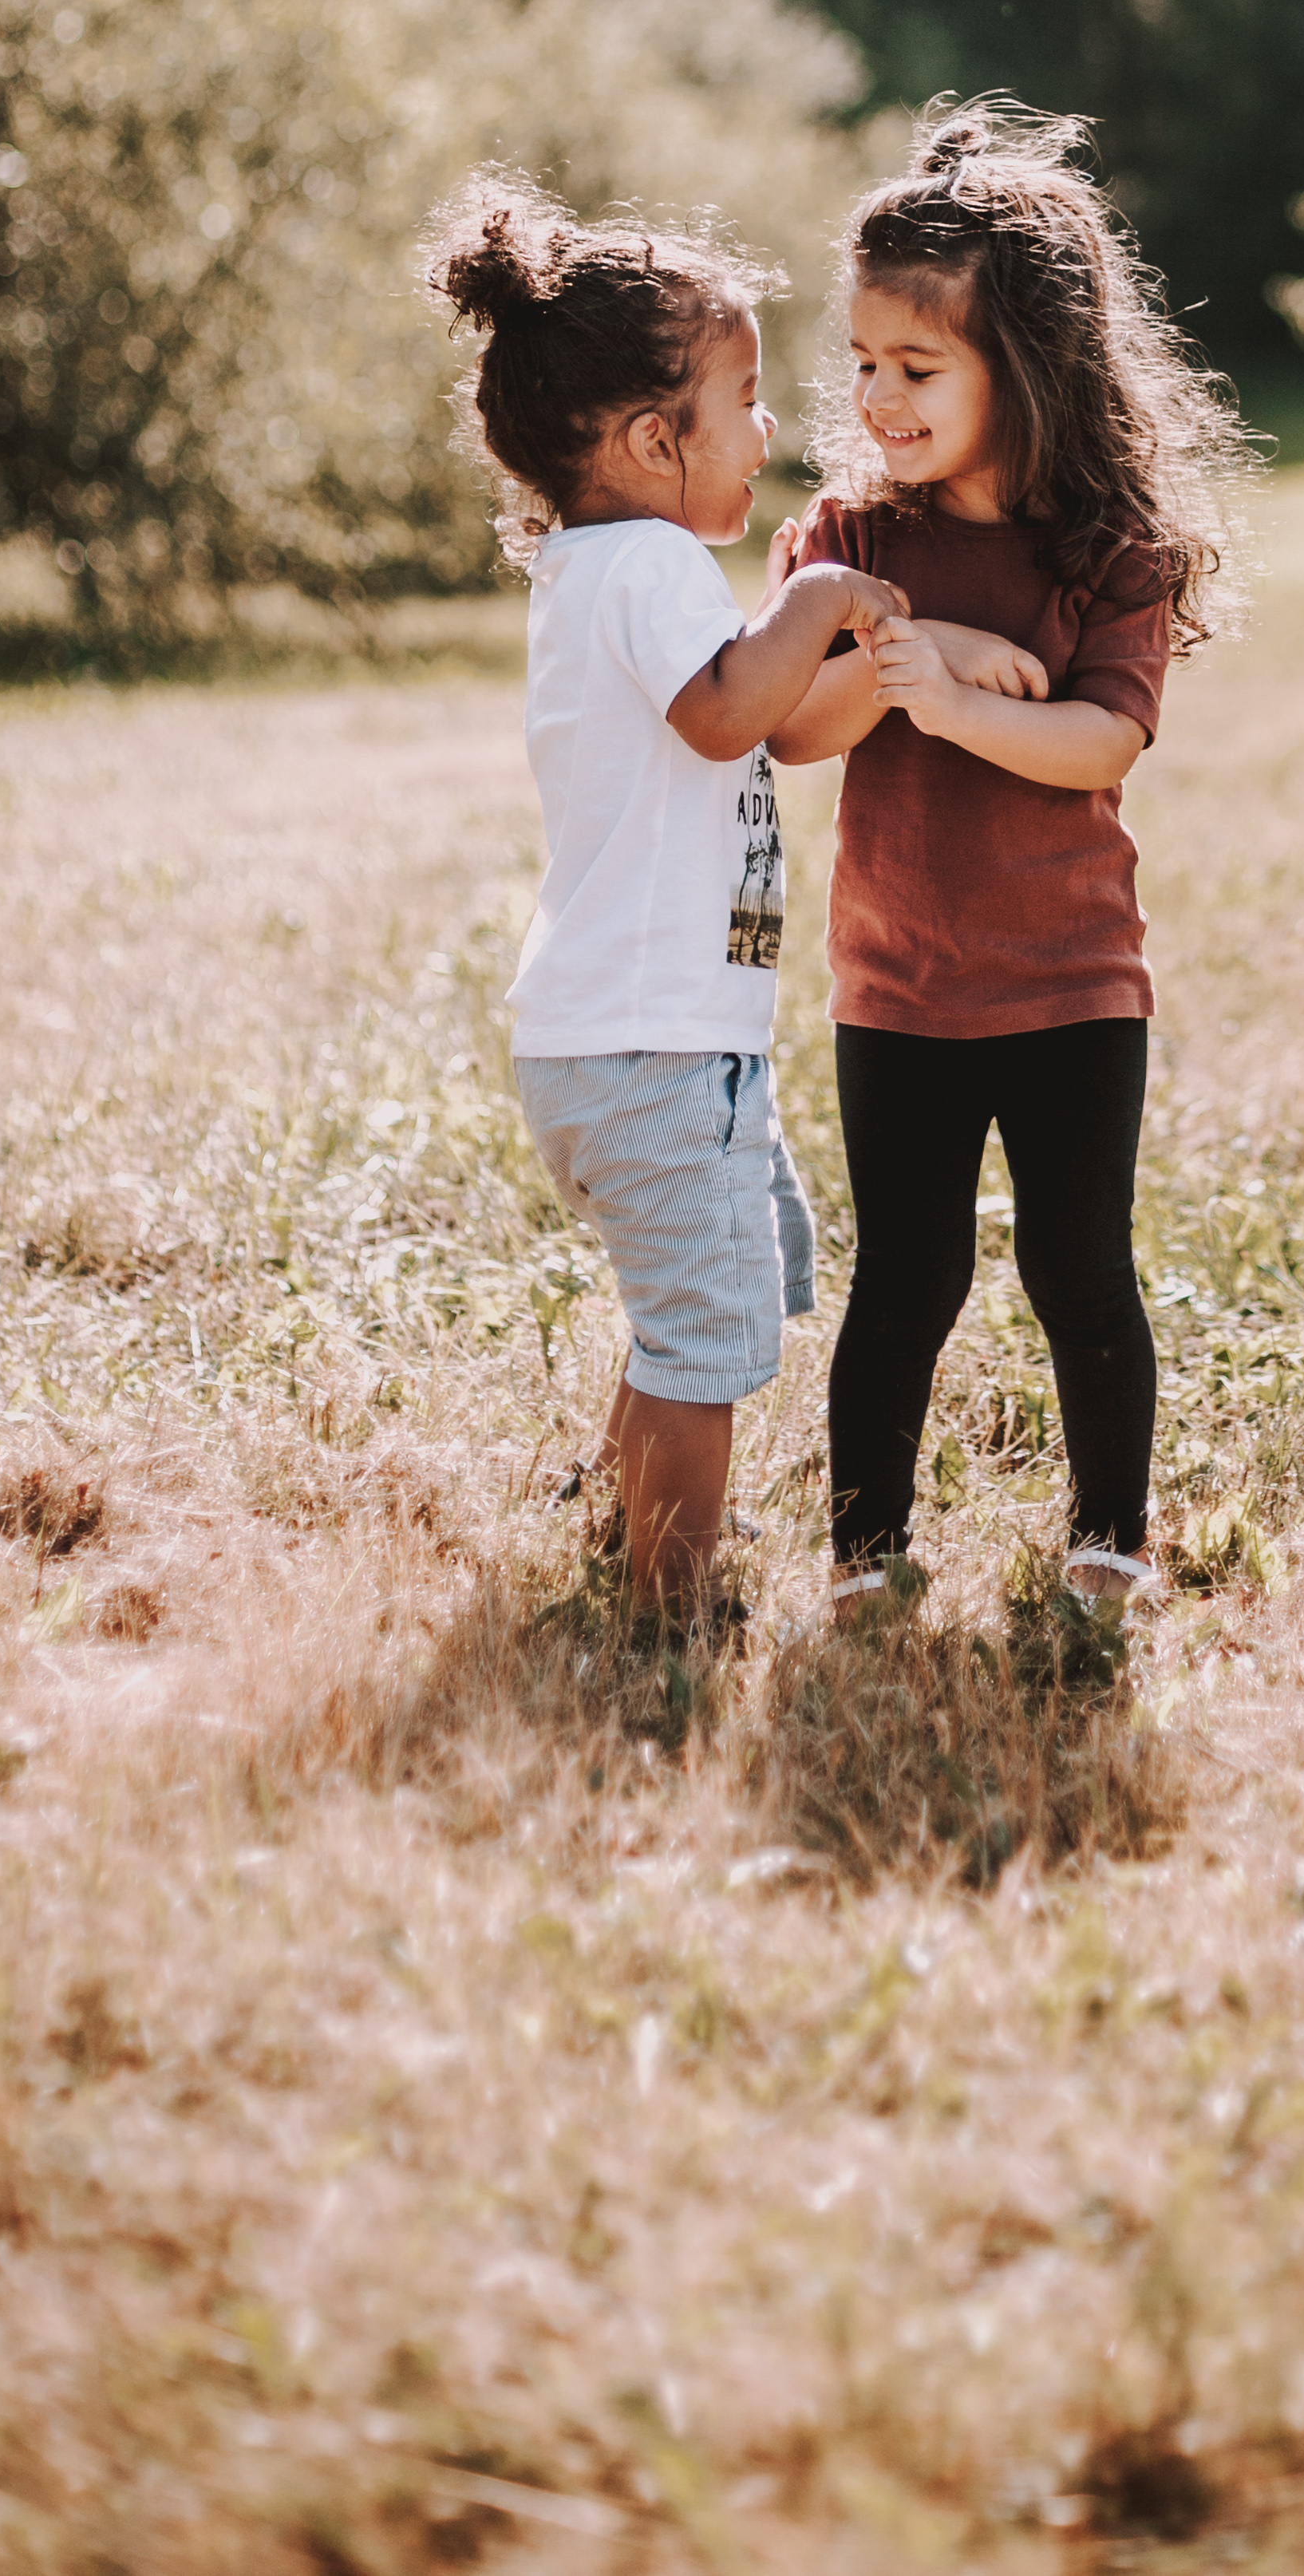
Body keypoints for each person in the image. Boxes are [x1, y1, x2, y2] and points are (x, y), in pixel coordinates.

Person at [425, 179, 1042, 1610]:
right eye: (745, 401)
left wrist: (906, 649)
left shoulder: (605, 568)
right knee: (700, 1344)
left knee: (703, 1303)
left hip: (639, 1040)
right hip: (652, 1044)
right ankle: (673, 1599)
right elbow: (727, 716)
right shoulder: (650, 564)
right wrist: (823, 594)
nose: (768, 432)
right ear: (655, 440)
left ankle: (624, 1524)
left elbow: (774, 715)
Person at [768, 104, 1243, 1620]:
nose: (876, 396)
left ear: (1024, 367)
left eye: (917, 368)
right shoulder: (846, 539)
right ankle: (865, 1551)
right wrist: (909, 653)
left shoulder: (1109, 546)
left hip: (1070, 981)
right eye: (864, 361)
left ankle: (1108, 1540)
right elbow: (795, 729)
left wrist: (958, 696)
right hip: (897, 984)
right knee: (906, 1276)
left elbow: (1101, 741)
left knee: (1077, 1266)